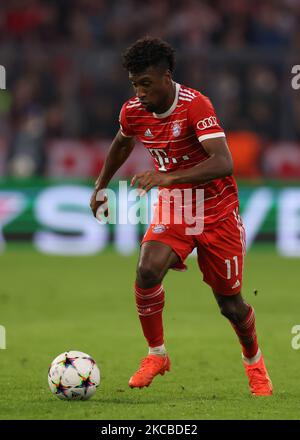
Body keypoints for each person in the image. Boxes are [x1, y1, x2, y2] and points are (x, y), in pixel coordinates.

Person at [90, 37, 273, 396]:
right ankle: (156, 354)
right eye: (134, 84)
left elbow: (224, 162)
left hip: (217, 211)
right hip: (176, 205)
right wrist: (100, 186)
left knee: (230, 305)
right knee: (147, 269)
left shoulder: (195, 104)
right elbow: (123, 142)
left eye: (146, 83)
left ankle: (255, 364)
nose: (139, 92)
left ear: (166, 77)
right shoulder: (134, 110)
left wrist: (165, 177)